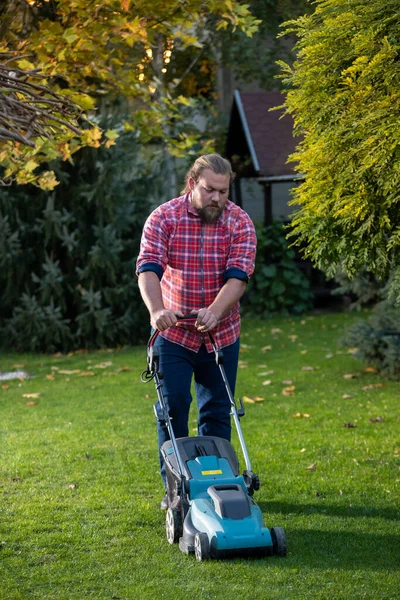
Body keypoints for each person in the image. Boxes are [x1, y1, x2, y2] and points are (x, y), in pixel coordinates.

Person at [136, 153, 257, 509]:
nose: (217, 198)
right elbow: (148, 268)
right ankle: (176, 491)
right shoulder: (164, 217)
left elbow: (239, 277)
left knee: (217, 412)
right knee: (173, 410)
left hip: (220, 335)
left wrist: (216, 312)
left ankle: (217, 486)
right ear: (192, 184)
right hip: (173, 335)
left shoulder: (240, 222)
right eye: (209, 190)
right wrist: (157, 310)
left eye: (223, 191)